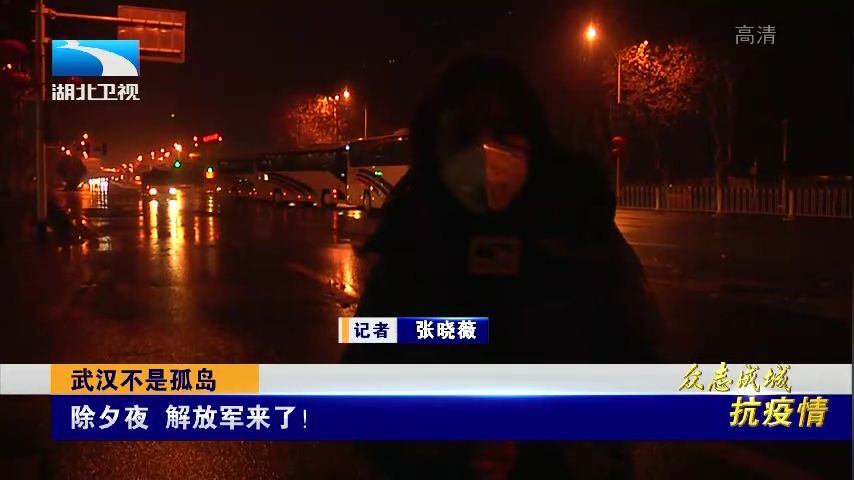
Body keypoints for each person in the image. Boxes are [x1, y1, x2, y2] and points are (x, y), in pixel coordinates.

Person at [343, 56, 661, 479]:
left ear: (533, 137)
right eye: (465, 133)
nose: (485, 151)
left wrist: (541, 437)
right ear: (435, 145)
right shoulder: (408, 245)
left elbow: (643, 372)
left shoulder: (581, 238)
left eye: (504, 130)